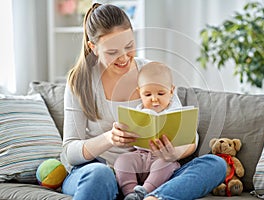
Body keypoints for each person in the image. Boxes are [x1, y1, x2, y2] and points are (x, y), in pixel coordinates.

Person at [60, 3, 227, 200]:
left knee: (215, 164)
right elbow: (69, 152)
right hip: (103, 173)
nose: (123, 57)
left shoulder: (151, 72)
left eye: (129, 46)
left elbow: (191, 138)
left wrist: (174, 153)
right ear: (93, 48)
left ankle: (153, 197)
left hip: (155, 174)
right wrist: (109, 138)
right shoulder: (80, 82)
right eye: (112, 52)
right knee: (99, 173)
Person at [114, 62, 188, 200]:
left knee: (167, 165)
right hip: (140, 155)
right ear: (139, 92)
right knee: (122, 161)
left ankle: (145, 191)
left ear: (171, 91)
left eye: (161, 93)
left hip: (163, 157)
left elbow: (188, 136)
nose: (154, 99)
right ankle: (130, 193)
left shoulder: (176, 110)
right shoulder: (138, 111)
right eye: (147, 94)